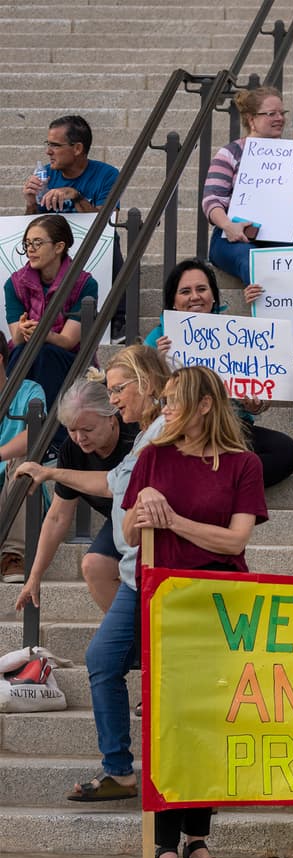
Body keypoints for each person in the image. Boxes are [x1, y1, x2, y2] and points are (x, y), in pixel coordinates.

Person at [121, 365, 267, 858]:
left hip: (220, 604)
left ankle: (197, 840)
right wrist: (142, 505)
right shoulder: (152, 458)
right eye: (162, 401)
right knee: (170, 720)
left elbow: (234, 543)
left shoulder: (242, 464)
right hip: (166, 605)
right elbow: (130, 536)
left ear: (205, 405)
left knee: (209, 720)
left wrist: (175, 520)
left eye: (174, 401)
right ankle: (163, 843)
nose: (164, 410)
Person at [67, 345, 170, 806]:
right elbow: (114, 487)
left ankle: (171, 775)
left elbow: (127, 496)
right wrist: (52, 473)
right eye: (108, 391)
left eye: (118, 390)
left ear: (145, 382)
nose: (114, 401)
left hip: (160, 573)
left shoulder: (166, 429)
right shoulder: (146, 433)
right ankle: (119, 770)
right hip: (134, 575)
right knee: (103, 660)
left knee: (110, 661)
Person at [144, 258, 293, 487]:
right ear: (173, 302)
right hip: (182, 431)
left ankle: (219, 483)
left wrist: (255, 405)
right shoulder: (158, 340)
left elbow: (257, 395)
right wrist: (158, 363)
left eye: (201, 289)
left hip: (230, 427)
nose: (195, 297)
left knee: (287, 451)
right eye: (185, 291)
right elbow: (145, 398)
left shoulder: (236, 334)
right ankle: (223, 481)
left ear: (213, 295)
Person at [14, 376, 138, 612]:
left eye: (88, 429)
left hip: (151, 514)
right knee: (93, 565)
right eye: (72, 430)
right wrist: (35, 576)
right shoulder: (72, 449)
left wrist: (52, 474)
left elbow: (114, 484)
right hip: (118, 518)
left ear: (111, 417)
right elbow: (58, 516)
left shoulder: (135, 434)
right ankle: (132, 638)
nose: (80, 438)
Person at [202, 86, 293, 284]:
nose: (280, 118)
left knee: (292, 264)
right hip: (234, 236)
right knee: (253, 261)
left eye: (282, 113)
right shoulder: (230, 154)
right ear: (251, 119)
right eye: (271, 114)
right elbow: (212, 200)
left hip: (286, 236)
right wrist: (228, 225)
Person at [5, 214, 88, 414]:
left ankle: (45, 430)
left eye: (37, 243)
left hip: (65, 357)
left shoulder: (83, 283)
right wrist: (23, 330)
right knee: (24, 351)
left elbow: (69, 341)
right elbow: (16, 339)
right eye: (27, 244)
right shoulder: (14, 283)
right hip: (24, 352)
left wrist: (43, 334)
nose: (30, 250)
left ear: (59, 247)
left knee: (43, 353)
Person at [0, 338, 44, 582]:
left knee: (23, 461)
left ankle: (14, 556)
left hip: (15, 487)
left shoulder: (29, 390)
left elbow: (34, 434)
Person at [23, 114, 119, 215]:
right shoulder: (45, 174)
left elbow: (107, 225)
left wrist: (76, 196)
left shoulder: (107, 175)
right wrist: (31, 203)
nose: (48, 151)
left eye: (55, 145)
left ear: (77, 149)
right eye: (48, 144)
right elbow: (33, 228)